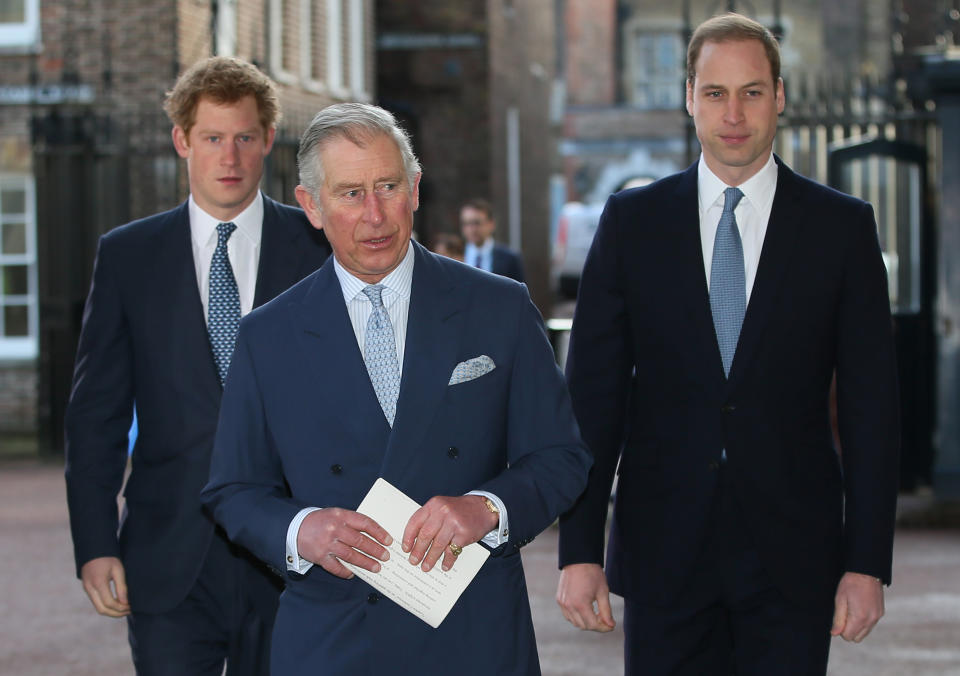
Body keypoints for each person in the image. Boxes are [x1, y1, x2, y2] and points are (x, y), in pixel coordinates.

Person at [555, 13, 899, 676]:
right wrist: (579, 550)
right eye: (715, 92)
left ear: (780, 96)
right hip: (664, 551)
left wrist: (866, 562)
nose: (733, 113)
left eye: (751, 91)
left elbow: (871, 409)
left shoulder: (841, 229)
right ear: (689, 98)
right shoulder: (632, 223)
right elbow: (593, 399)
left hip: (794, 555)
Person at [200, 102, 591, 675]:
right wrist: (300, 530)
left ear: (415, 188)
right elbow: (232, 489)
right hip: (332, 641)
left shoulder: (498, 307)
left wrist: (488, 508)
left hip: (472, 635)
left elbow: (561, 457)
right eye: (351, 193)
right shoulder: (267, 335)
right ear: (311, 205)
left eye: (388, 186)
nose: (376, 214)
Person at [64, 56, 331, 675]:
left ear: (269, 139)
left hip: (294, 556)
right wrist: (95, 544)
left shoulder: (318, 250)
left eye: (243, 138)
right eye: (212, 138)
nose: (229, 158)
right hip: (167, 558)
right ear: (183, 141)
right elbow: (95, 415)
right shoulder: (129, 256)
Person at [460, 197, 526, 282]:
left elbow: (519, 293)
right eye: (466, 223)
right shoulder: (455, 256)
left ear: (491, 224)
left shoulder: (510, 258)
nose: (472, 229)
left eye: (477, 223)